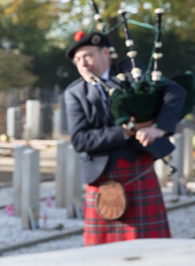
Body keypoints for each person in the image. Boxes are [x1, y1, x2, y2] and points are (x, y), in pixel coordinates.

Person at [63, 31, 185, 245]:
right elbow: (80, 140)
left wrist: (159, 128)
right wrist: (127, 130)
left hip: (137, 170)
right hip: (100, 179)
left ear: (105, 53)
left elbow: (176, 91)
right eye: (78, 60)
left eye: (88, 56)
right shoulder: (74, 93)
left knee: (150, 249)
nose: (83, 64)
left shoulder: (134, 78)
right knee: (100, 254)